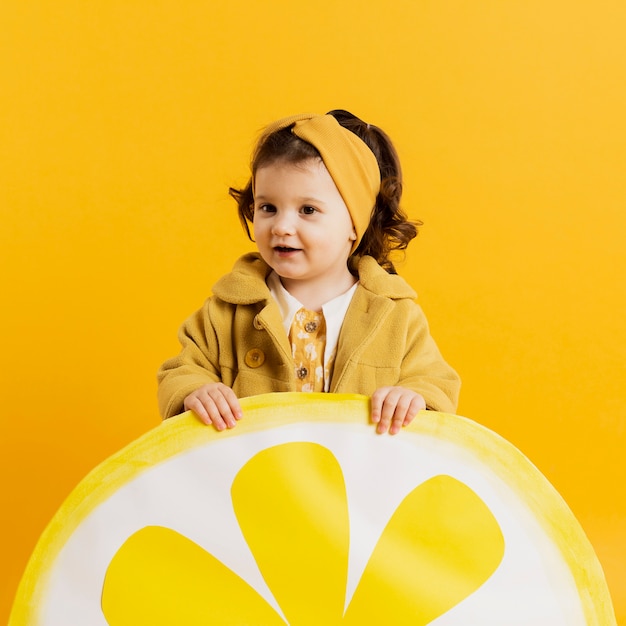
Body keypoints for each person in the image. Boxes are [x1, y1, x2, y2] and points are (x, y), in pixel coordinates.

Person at [157, 110, 460, 435]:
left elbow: (436, 382)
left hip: (357, 482)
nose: (282, 227)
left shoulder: (396, 315)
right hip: (253, 478)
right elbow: (180, 371)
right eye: (267, 207)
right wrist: (196, 391)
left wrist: (413, 397)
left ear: (355, 223)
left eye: (308, 210)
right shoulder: (226, 312)